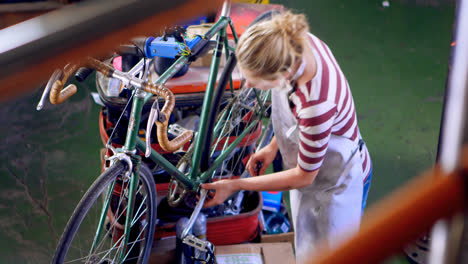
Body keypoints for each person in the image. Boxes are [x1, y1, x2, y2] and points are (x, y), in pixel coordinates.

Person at [201, 10, 372, 263]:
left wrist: (236, 184)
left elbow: (304, 175)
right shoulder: (293, 46)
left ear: (280, 75)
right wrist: (273, 147)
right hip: (315, 169)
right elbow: (292, 118)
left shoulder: (316, 105)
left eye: (255, 81)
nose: (248, 85)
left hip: (337, 183)